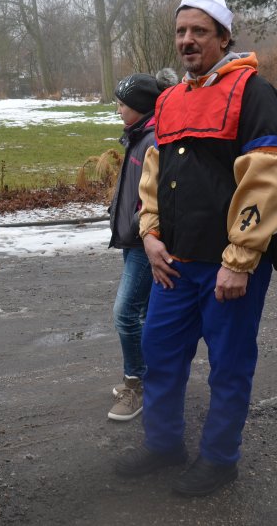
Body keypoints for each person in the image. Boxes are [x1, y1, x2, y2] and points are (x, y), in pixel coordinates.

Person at [114, 0, 277, 497]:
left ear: (224, 37)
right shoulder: (169, 99)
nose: (187, 40)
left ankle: (219, 459)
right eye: (181, 32)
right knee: (160, 355)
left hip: (228, 267)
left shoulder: (254, 92)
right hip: (172, 263)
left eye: (199, 31)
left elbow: (266, 180)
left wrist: (240, 259)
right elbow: (152, 177)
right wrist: (149, 235)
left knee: (228, 366)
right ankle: (164, 444)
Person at [107, 73, 167, 421]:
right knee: (142, 312)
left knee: (125, 313)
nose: (118, 109)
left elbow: (154, 198)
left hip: (146, 240)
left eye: (122, 104)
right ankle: (151, 380)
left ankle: (137, 383)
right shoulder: (138, 134)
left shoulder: (153, 140)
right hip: (134, 237)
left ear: (141, 107)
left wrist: (137, 227)